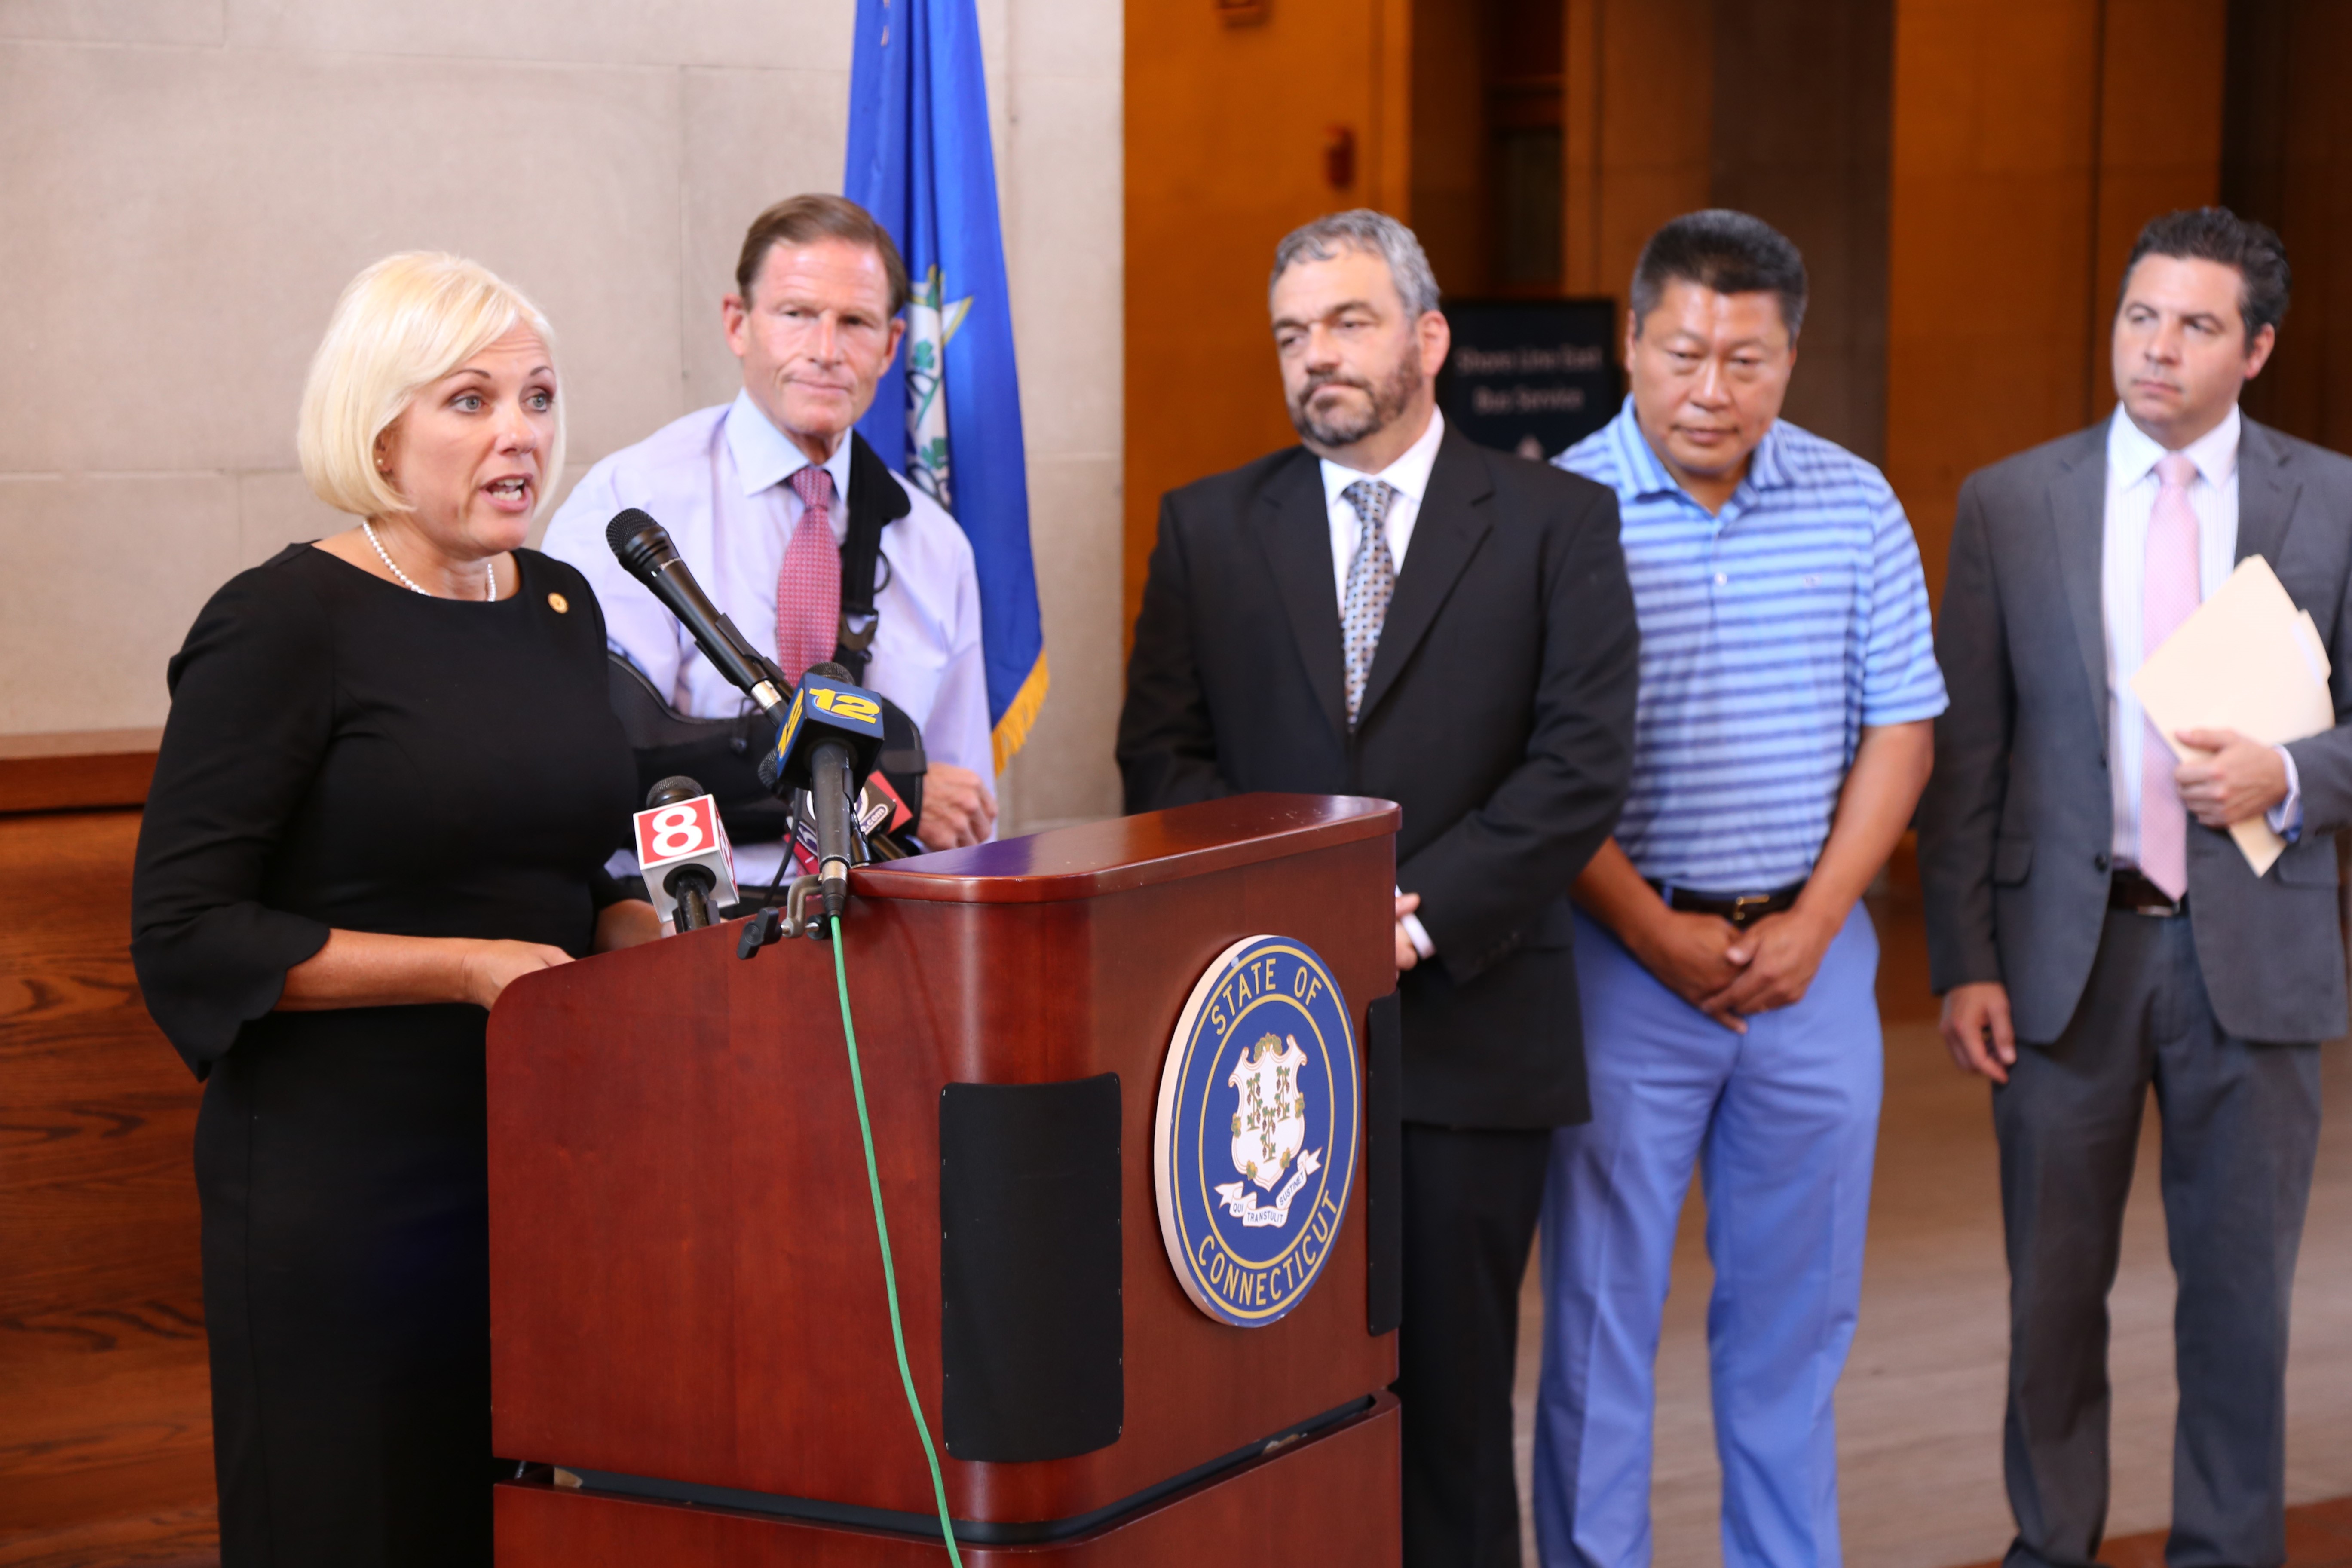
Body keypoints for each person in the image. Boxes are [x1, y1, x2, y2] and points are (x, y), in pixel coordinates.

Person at [1118, 208, 1639, 1568]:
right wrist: (1288, 917)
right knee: (1265, 1414)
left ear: (1429, 337)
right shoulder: (1209, 528)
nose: (1316, 358)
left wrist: (1410, 915)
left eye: (1347, 323)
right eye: (1292, 333)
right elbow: (1162, 755)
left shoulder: (1556, 523)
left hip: (1469, 1043)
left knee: (1454, 1418)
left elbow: (1579, 767)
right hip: (1251, 1055)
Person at [129, 252, 661, 1566]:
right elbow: (190, 929)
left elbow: (583, 860)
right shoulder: (283, 621)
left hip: (539, 1162)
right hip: (347, 1185)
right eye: (470, 402)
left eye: (538, 398)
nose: (520, 434)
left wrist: (645, 940)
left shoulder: (555, 604)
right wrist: (464, 967)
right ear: (378, 425)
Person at [1919, 207, 2351, 1568]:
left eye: (2198, 325)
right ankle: (2051, 1549)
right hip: (2066, 958)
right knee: (2051, 1303)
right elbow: (1967, 754)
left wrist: (2289, 773)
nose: (2157, 349)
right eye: (2140, 316)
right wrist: (1962, 959)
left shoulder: (2333, 500)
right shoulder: (2010, 500)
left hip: (2256, 958)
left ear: (2259, 348)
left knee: (2239, 1308)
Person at [1534, 211, 1943, 1568]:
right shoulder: (1555, 513)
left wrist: (1821, 922)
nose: (1713, 391)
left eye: (1748, 361)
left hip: (1813, 969)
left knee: (1795, 1322)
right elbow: (1532, 764)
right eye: (1685, 354)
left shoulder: (1858, 502)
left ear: (1791, 358)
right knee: (1600, 1323)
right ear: (1632, 344)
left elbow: (1901, 726)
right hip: (1618, 962)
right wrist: (1651, 930)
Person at [542, 193, 995, 878]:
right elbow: (610, 770)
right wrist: (886, 795)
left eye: (856, 323)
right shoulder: (632, 500)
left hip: (889, 931)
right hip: (689, 925)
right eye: (796, 315)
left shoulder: (935, 546)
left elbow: (958, 809)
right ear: (737, 324)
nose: (825, 351)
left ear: (891, 347)